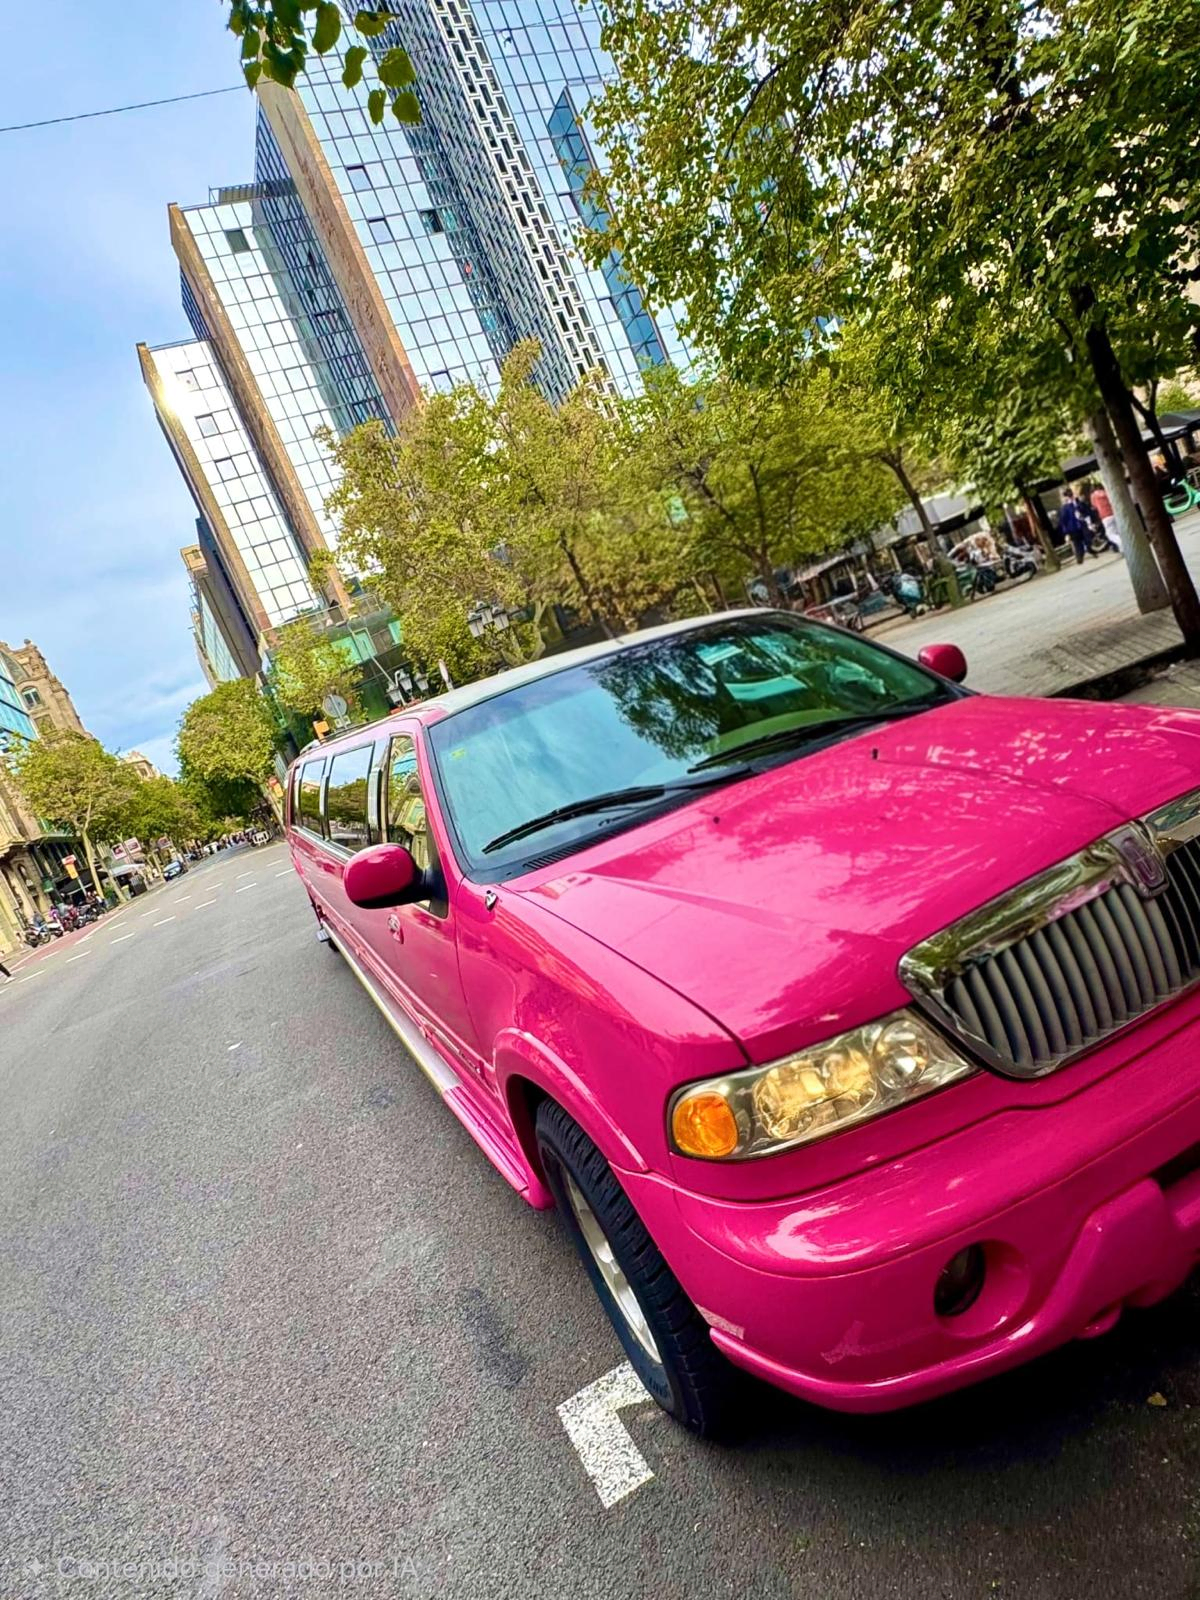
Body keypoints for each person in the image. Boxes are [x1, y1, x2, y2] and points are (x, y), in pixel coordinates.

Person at [1058, 487, 1097, 564]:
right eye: (1067, 495)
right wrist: (1066, 533)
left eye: (1070, 494)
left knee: (1087, 538)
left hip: (1082, 524)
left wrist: (1077, 504)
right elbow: (1063, 521)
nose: (1069, 497)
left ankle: (1089, 549)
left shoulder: (1078, 503)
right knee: (1077, 543)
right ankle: (1080, 557)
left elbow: (1085, 511)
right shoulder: (1065, 508)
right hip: (1073, 528)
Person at [1089, 484, 1121, 553]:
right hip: (1113, 513)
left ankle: (1122, 544)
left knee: (1110, 534)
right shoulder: (1106, 492)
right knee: (1117, 532)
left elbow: (1094, 506)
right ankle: (1121, 548)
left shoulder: (1093, 496)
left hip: (1105, 516)